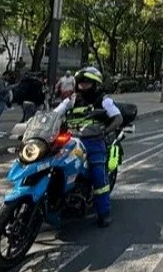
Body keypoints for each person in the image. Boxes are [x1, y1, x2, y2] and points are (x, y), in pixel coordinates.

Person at [53, 67, 122, 227]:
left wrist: (105, 131)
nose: (83, 86)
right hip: (69, 141)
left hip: (93, 143)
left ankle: (104, 213)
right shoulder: (71, 100)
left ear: (95, 84)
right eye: (81, 83)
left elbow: (117, 118)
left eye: (88, 83)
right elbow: (55, 114)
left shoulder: (104, 100)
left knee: (98, 175)